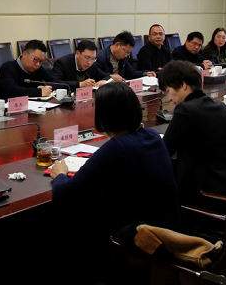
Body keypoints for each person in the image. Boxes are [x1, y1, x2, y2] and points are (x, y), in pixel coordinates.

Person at [50, 82, 179, 236]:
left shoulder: (116, 148)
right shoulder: (152, 135)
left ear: (105, 114)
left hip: (139, 236)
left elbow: (64, 194)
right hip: (169, 227)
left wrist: (60, 175)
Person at [159, 60, 226, 198]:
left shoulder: (185, 110)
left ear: (183, 85)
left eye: (169, 91)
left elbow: (165, 150)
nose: (170, 98)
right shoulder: (220, 106)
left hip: (200, 192)